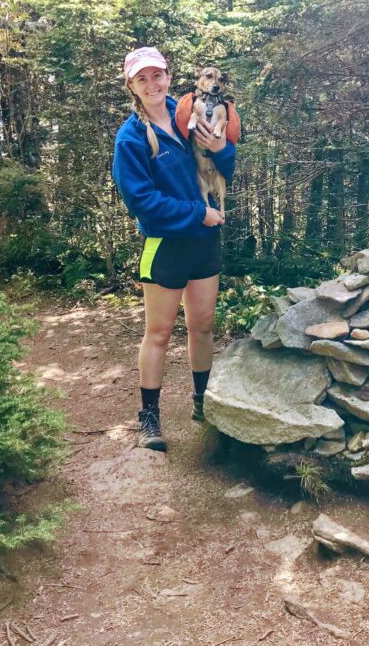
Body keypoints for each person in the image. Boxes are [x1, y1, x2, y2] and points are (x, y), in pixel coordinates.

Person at [111, 47, 235, 451]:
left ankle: (203, 403)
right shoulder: (131, 137)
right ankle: (150, 418)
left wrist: (222, 150)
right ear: (130, 84)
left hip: (204, 244)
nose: (151, 84)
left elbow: (224, 164)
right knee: (159, 333)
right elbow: (141, 201)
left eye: (157, 76)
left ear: (168, 76)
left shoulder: (189, 114)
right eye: (141, 78)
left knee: (202, 326)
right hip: (165, 244)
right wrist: (197, 213)